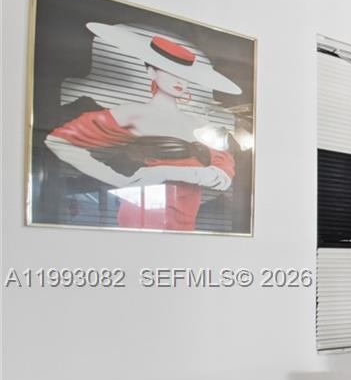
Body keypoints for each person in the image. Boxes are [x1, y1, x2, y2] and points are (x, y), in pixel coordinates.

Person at [45, 24, 241, 231]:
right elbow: (58, 141)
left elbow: (224, 176)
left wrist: (165, 172)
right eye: (170, 71)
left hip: (186, 210)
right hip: (146, 209)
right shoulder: (133, 113)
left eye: (183, 75)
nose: (179, 81)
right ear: (151, 72)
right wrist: (115, 179)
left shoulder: (199, 125)